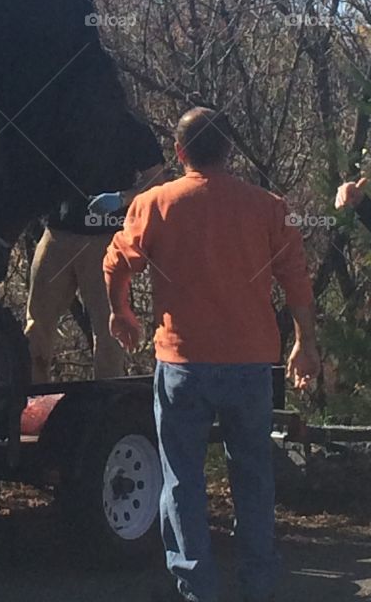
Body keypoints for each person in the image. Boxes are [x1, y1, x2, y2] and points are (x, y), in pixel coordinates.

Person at [104, 107, 319, 602]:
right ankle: (257, 583)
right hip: (249, 363)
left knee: (182, 478)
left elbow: (117, 259)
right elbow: (296, 277)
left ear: (180, 153)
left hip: (183, 364)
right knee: (254, 474)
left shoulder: (157, 203)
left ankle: (197, 586)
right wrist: (305, 342)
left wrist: (122, 313)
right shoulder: (267, 206)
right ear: (230, 150)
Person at [25, 157, 167, 382]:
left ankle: (106, 405)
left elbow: (156, 180)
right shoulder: (58, 122)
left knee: (109, 329)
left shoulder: (129, 124)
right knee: (36, 325)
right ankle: (32, 399)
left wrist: (122, 199)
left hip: (104, 239)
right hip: (57, 234)